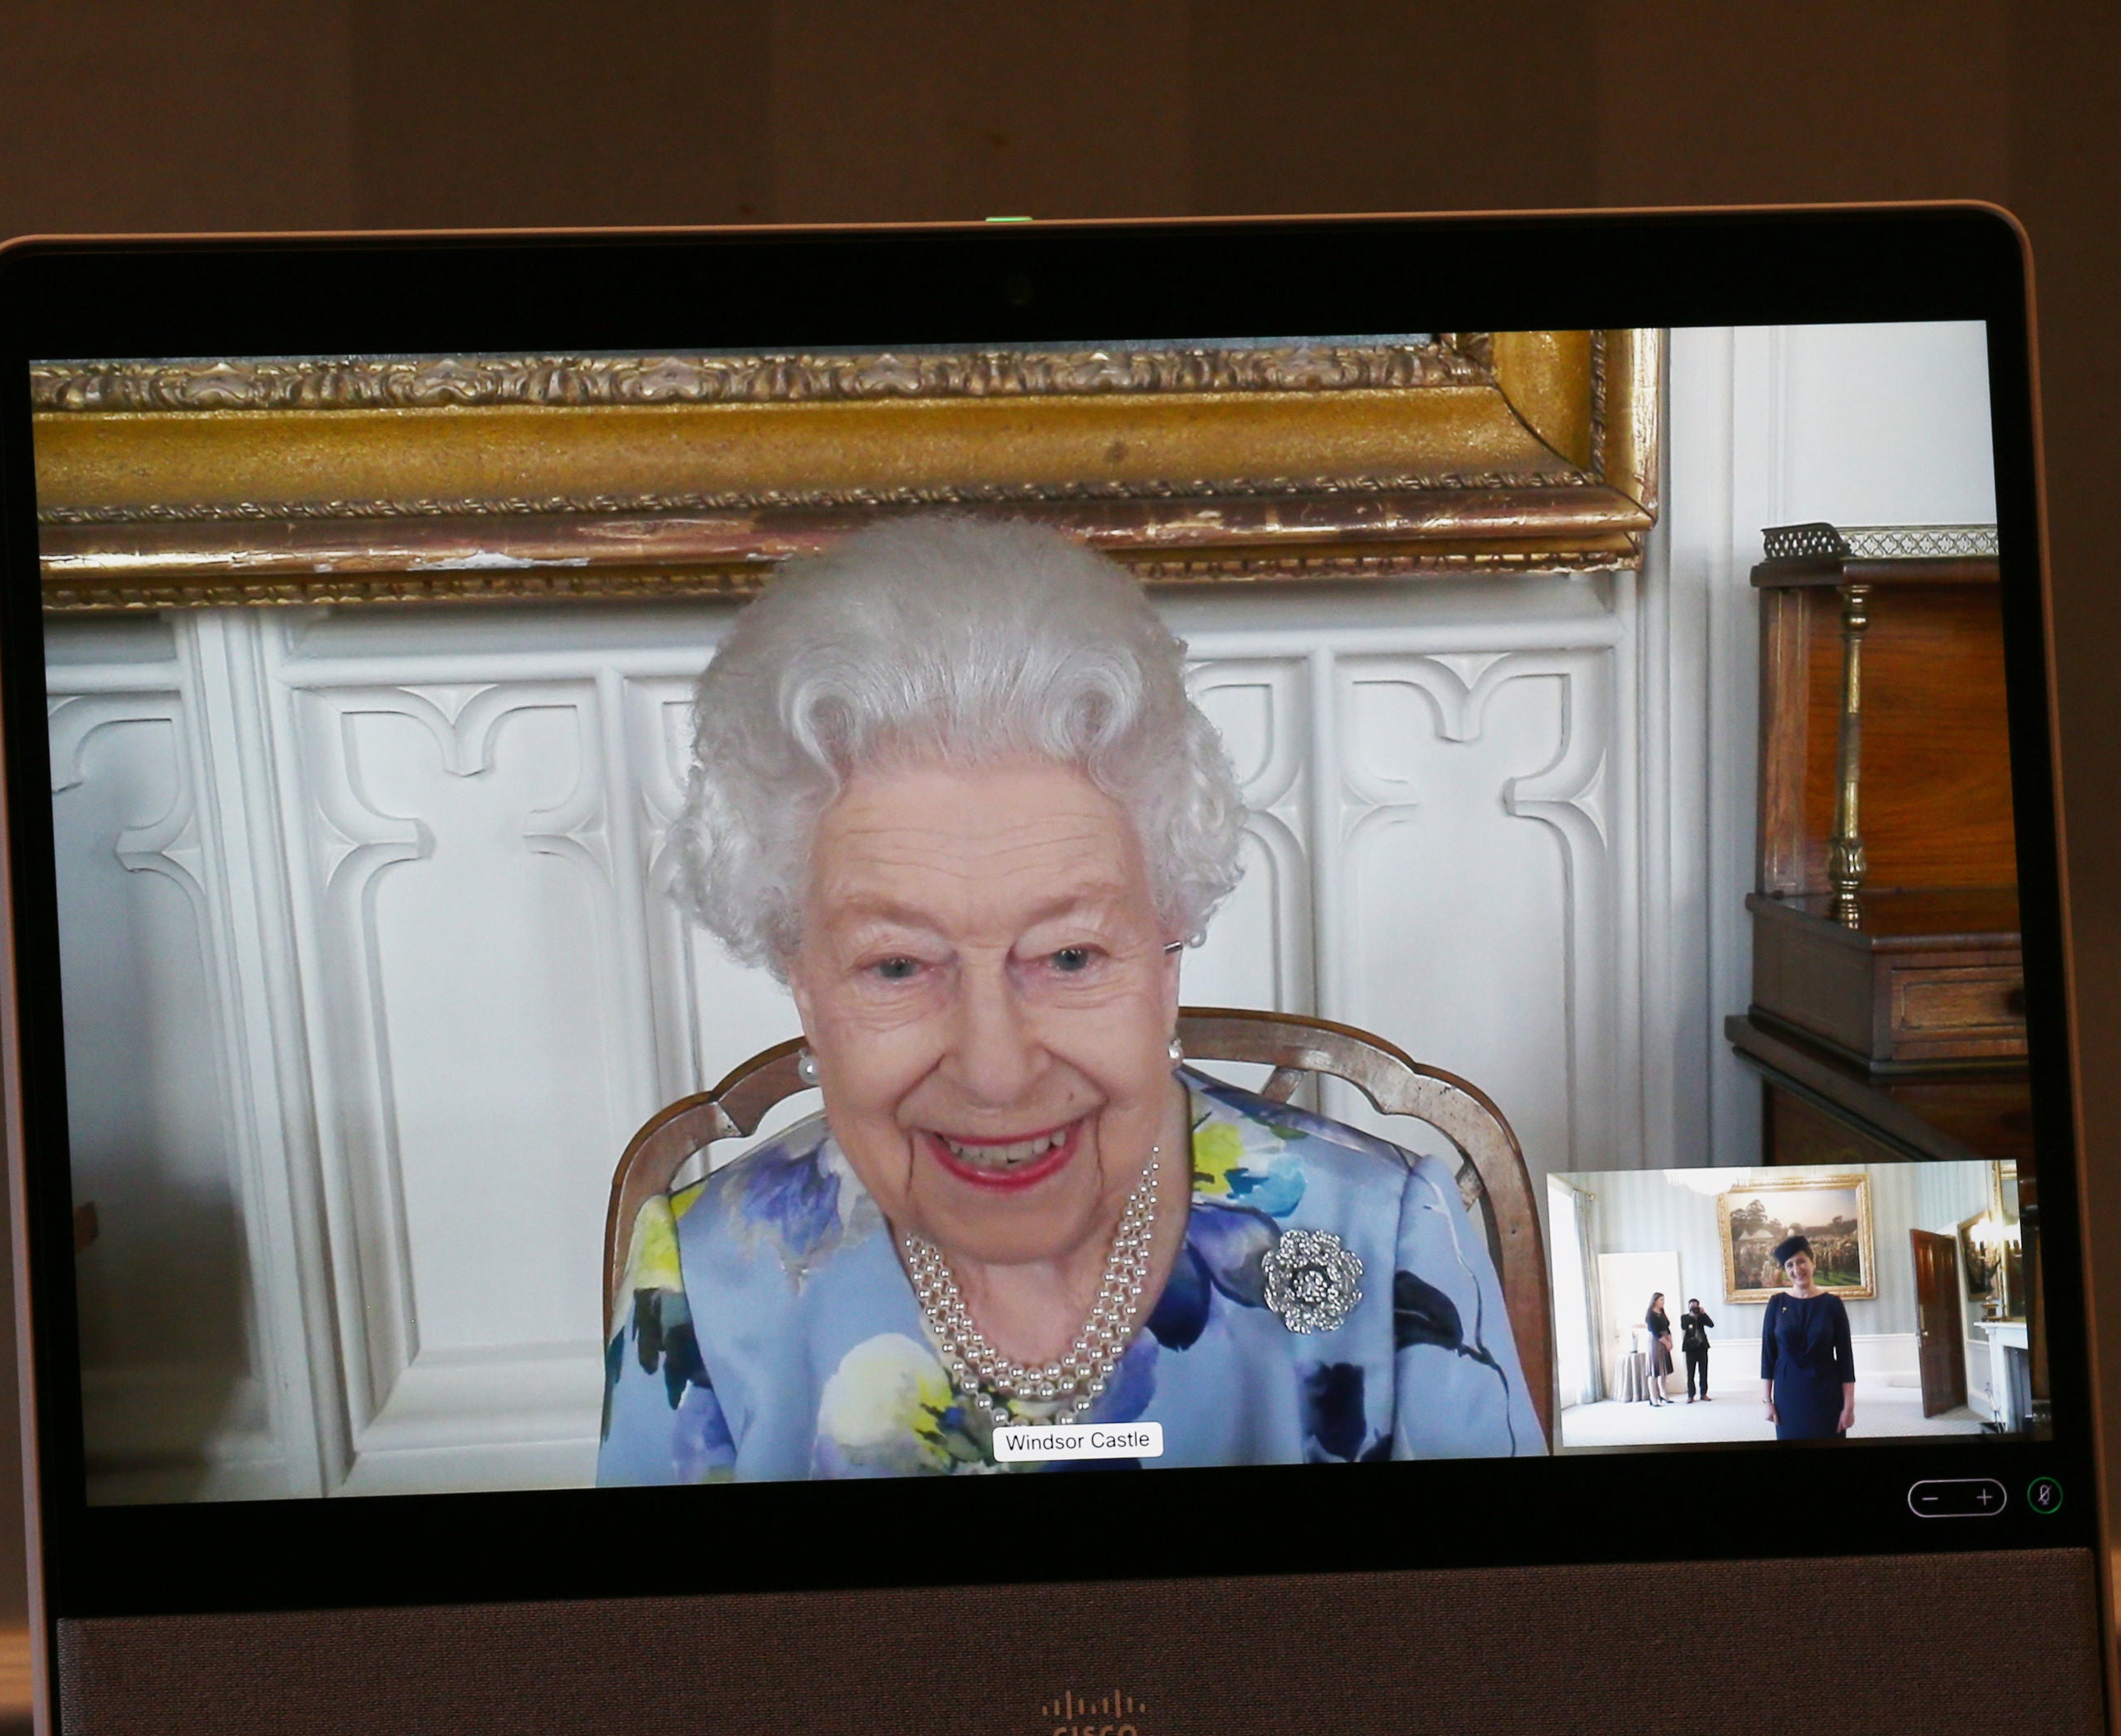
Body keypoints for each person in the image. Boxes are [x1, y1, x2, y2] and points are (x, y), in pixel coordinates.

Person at [598, 514, 1547, 1480]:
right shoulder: (706, 1289)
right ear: (800, 979)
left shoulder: (1378, 1241)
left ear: (1165, 954)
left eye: (1067, 956)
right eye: (896, 966)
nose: (996, 1073)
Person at [1760, 1233, 1856, 1441]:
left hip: (1826, 1390)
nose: (1797, 1270)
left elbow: (1846, 1359)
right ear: (1785, 1270)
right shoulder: (1776, 1304)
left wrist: (1849, 1406)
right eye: (1790, 1265)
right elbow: (1768, 1356)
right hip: (1788, 1391)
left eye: (1802, 1261)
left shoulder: (1833, 1304)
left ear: (1813, 1263)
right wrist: (1767, 1401)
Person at [1680, 1296, 1714, 1401]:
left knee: (1703, 1372)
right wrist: (1692, 1317)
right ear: (1689, 1307)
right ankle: (1691, 1395)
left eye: (1696, 1307)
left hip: (1702, 1347)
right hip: (1690, 1348)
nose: (1695, 1309)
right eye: (1692, 1307)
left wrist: (1703, 1314)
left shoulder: (1701, 1317)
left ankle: (1703, 1393)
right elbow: (1684, 1327)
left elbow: (1711, 1325)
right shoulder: (1685, 1317)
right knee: (1691, 1373)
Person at [1643, 1292, 1675, 1403]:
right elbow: (1655, 1332)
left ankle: (1664, 1394)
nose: (1663, 1302)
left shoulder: (1662, 1312)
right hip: (1656, 1342)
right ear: (1655, 1301)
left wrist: (1670, 1341)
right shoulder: (1650, 1314)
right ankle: (1653, 1397)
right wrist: (1666, 1342)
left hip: (1665, 1339)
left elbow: (1667, 1326)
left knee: (1663, 1370)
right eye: (1661, 1300)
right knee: (1654, 1370)